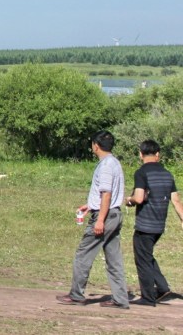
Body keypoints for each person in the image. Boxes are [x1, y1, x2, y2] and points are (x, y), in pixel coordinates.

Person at [57, 130, 130, 309]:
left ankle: (76, 295)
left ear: (95, 146)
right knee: (114, 258)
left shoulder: (105, 165)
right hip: (114, 214)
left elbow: (106, 194)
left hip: (105, 217)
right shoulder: (114, 163)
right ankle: (120, 299)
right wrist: (90, 205)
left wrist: (99, 220)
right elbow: (105, 195)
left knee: (83, 254)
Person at [125, 139, 183, 306]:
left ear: (140, 154)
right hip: (159, 225)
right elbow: (176, 201)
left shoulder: (141, 173)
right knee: (147, 255)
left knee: (142, 258)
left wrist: (129, 200)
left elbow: (139, 197)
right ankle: (162, 288)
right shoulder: (167, 174)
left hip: (145, 224)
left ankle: (148, 297)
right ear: (158, 154)